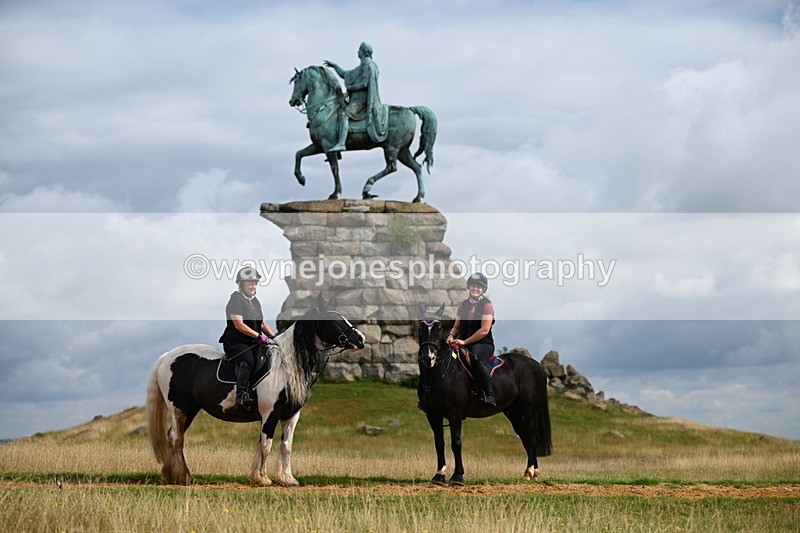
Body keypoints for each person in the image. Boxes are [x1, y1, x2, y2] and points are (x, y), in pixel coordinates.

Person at [219, 267, 277, 409]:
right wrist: (258, 336)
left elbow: (261, 323)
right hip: (235, 341)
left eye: (255, 283)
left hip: (252, 341)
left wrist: (274, 337)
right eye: (250, 283)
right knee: (248, 360)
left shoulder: (255, 301)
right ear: (242, 284)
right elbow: (239, 324)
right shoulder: (235, 300)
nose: (253, 286)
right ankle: (241, 397)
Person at [323, 42, 389, 151]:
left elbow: (365, 83)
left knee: (344, 114)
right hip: (355, 100)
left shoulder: (368, 65)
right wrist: (334, 66)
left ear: (363, 52)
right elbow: (345, 74)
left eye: (359, 50)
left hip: (361, 101)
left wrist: (351, 88)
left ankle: (341, 143)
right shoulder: (362, 66)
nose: (357, 51)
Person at [447, 272, 497, 406]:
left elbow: (484, 330)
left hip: (482, 343)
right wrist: (451, 336)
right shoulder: (463, 305)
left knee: (474, 359)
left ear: (483, 290)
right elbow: (456, 327)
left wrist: (464, 342)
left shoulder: (487, 306)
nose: (476, 289)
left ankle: (489, 394)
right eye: (474, 286)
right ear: (469, 287)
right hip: (462, 341)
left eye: (479, 287)